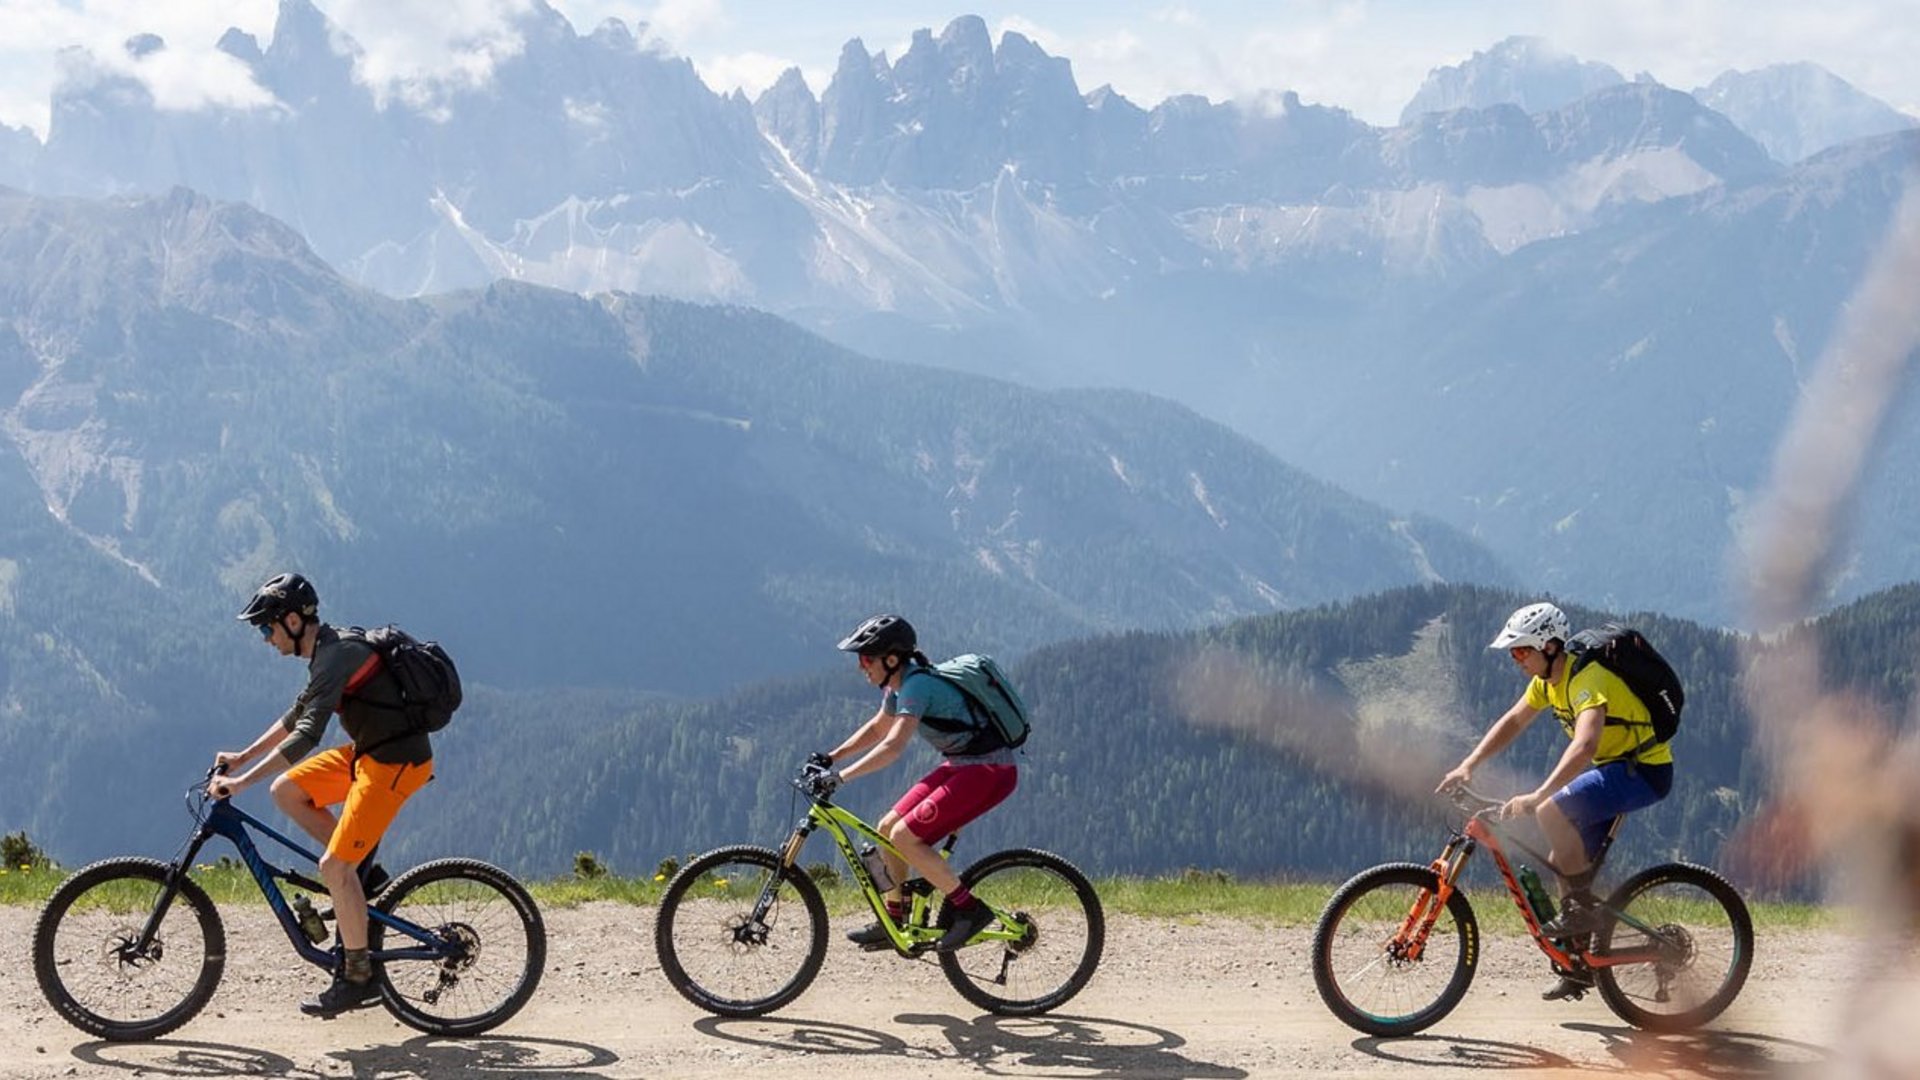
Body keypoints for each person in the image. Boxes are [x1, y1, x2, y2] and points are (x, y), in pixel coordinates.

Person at [207, 572, 435, 1017]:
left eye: (266, 628)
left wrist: (240, 783)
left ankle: (358, 977)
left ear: (292, 620)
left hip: (395, 762)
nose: (265, 639)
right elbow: (296, 714)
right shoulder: (326, 652)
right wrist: (242, 756)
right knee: (288, 791)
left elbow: (308, 735)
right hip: (368, 754)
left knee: (334, 866)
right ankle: (363, 878)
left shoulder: (336, 655)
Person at [1436, 601, 1675, 1001]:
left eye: (1520, 651)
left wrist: (1538, 795)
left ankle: (1580, 913)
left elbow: (1585, 745)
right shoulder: (1548, 681)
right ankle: (1579, 964)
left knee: (1552, 812)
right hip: (1613, 770)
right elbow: (1513, 720)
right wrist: (1469, 765)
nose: (1516, 661)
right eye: (1513, 653)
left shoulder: (1587, 680)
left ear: (1549, 647)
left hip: (1642, 771)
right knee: (1565, 860)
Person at [815, 614, 1018, 953]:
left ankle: (969, 910)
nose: (861, 667)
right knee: (886, 828)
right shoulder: (900, 685)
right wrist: (832, 757)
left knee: (905, 838)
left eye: (866, 658)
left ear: (891, 659)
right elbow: (879, 728)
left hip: (990, 770)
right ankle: (894, 920)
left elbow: (892, 746)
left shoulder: (916, 686)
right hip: (962, 765)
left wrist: (840, 777)